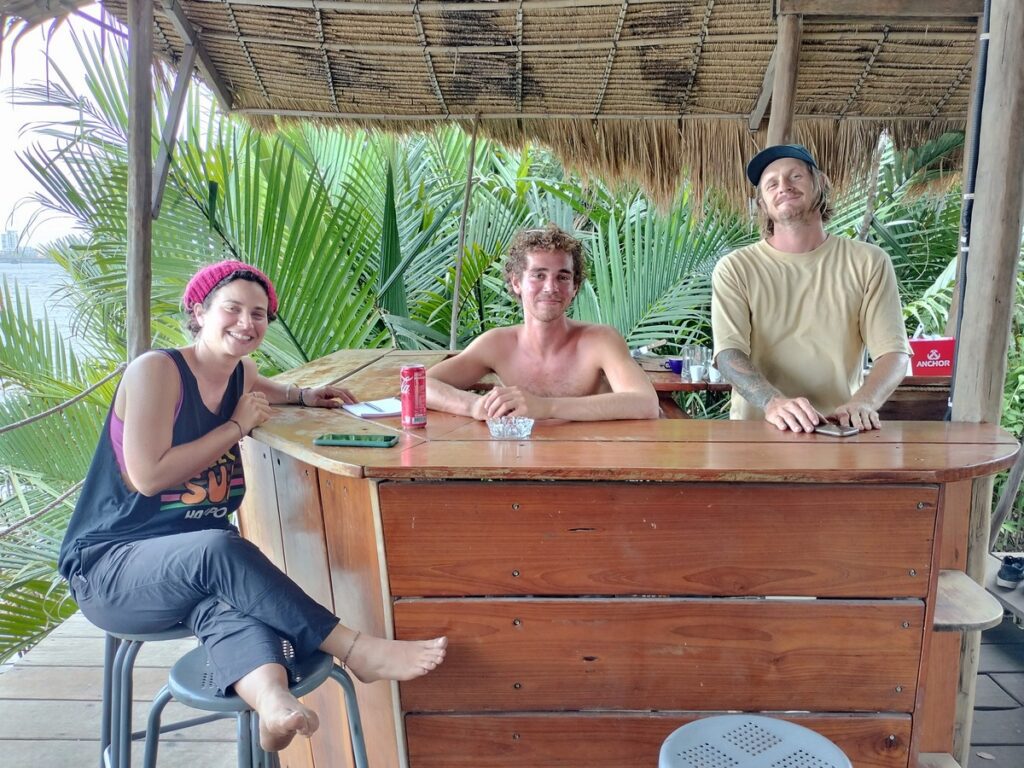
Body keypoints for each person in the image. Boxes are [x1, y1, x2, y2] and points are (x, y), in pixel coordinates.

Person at [58, 260, 447, 752]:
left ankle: (273, 705)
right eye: (233, 309)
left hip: (191, 572)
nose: (246, 323)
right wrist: (235, 428)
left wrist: (305, 395)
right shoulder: (156, 371)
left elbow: (265, 388)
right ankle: (353, 647)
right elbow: (149, 475)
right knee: (222, 550)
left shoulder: (241, 374)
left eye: (259, 314)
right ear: (199, 312)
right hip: (111, 568)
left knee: (237, 606)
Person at [712, 144, 912, 432]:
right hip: (758, 429)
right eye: (771, 183)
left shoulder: (869, 262)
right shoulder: (735, 268)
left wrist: (865, 402)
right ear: (762, 205)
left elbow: (894, 352)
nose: (783, 186)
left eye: (795, 177)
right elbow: (728, 354)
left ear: (821, 184)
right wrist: (773, 402)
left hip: (839, 427)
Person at [426, 224, 660, 421]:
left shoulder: (600, 341)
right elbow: (421, 386)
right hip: (519, 464)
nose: (551, 287)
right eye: (539, 275)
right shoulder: (497, 344)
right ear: (517, 282)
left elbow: (646, 403)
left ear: (575, 287)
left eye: (563, 277)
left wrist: (546, 407)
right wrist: (475, 406)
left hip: (589, 464)